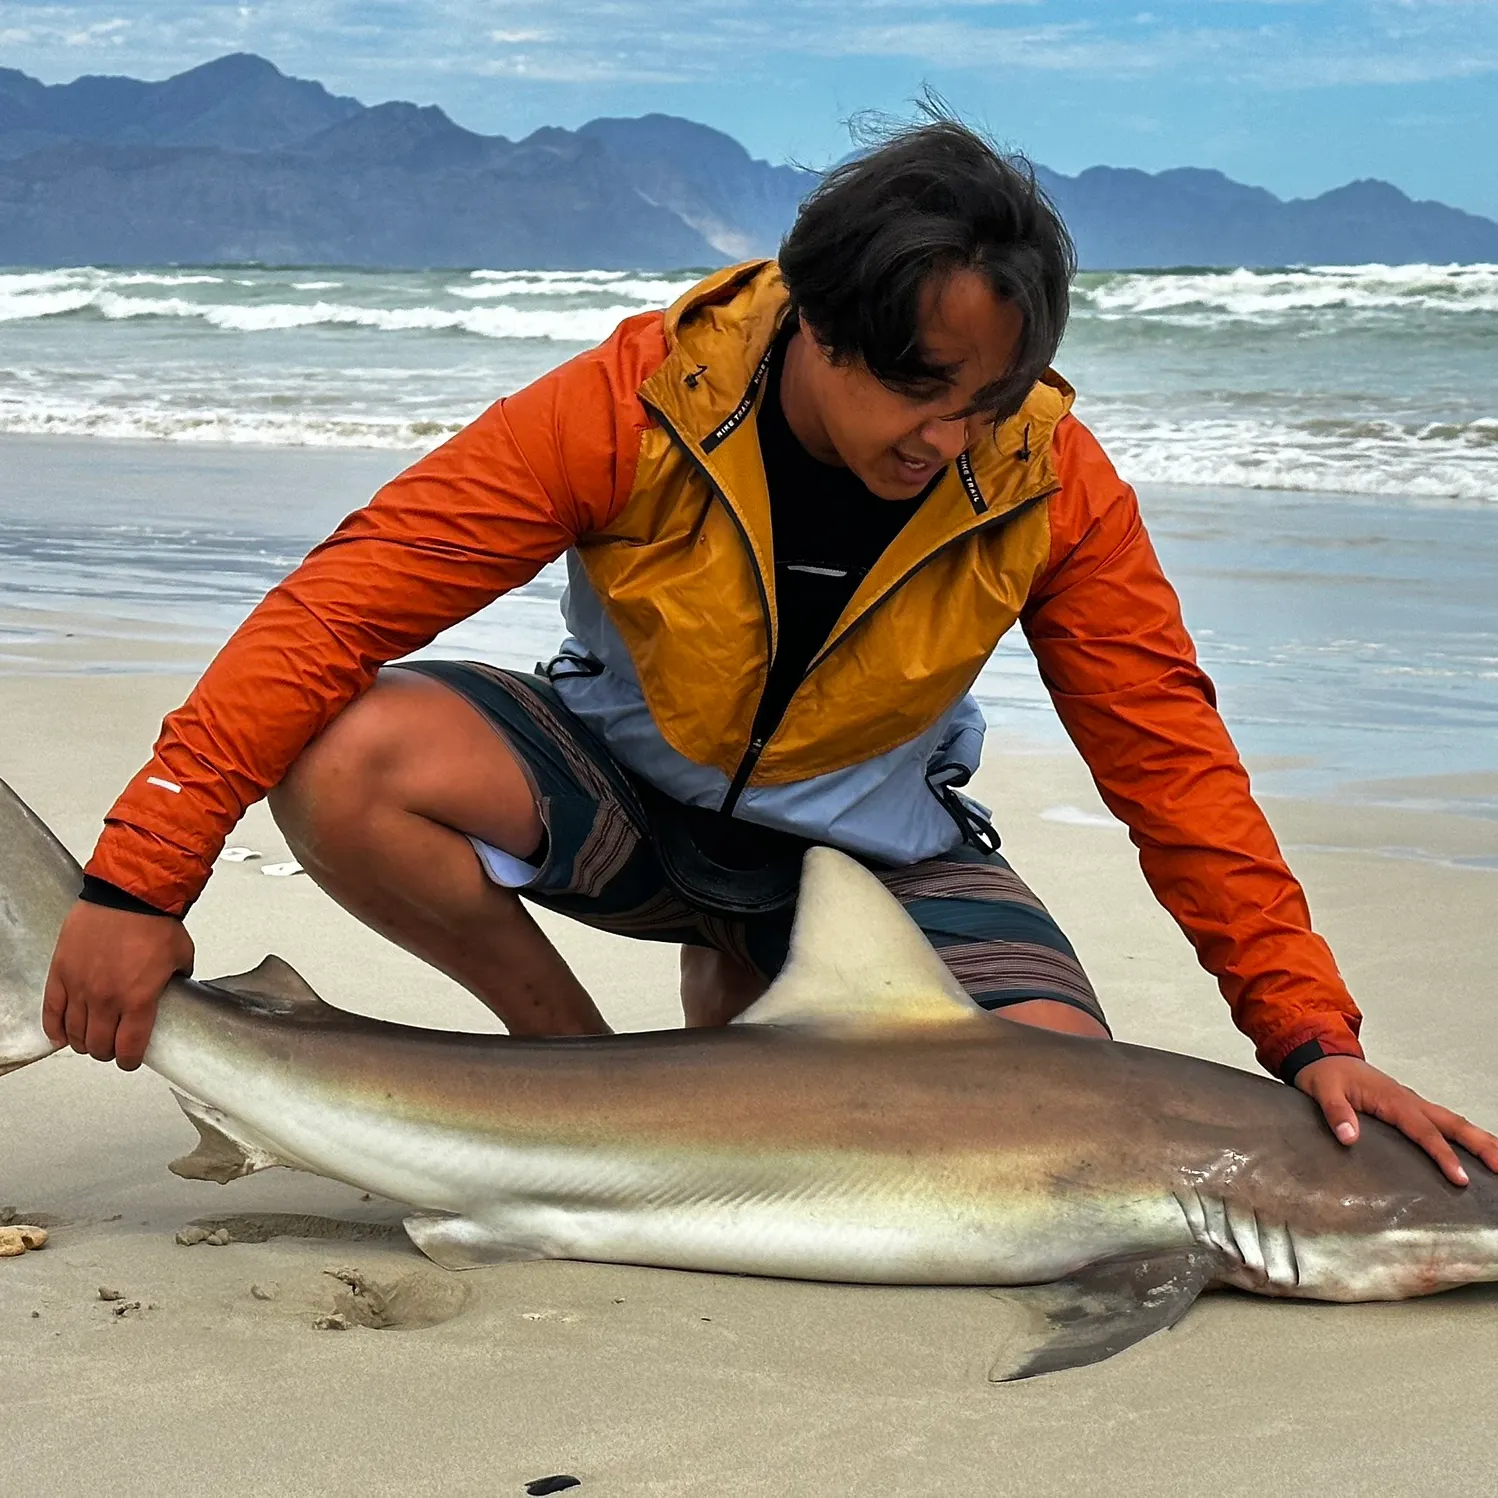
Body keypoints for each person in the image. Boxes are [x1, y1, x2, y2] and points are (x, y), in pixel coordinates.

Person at [43, 117, 1498, 1188]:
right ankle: (570, 1078)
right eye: (920, 393)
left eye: (989, 399)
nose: (950, 441)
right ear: (814, 323)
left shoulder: (1046, 481)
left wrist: (1309, 1035)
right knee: (350, 749)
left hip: (867, 855)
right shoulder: (638, 400)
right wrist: (135, 880)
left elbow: (1170, 762)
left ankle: (747, 1005)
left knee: (1058, 1113)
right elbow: (341, 603)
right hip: (626, 796)